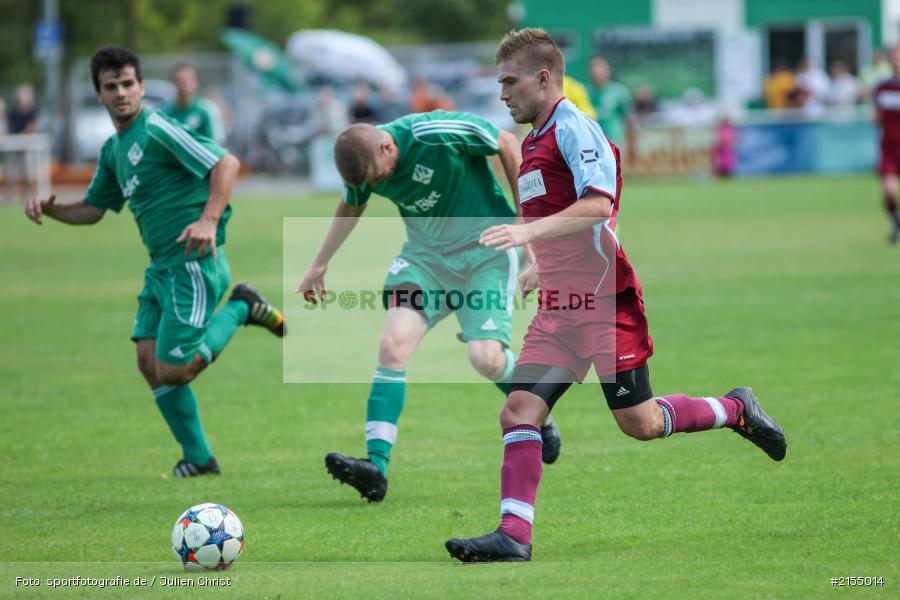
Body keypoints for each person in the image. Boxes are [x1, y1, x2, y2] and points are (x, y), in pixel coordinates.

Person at [445, 28, 787, 563]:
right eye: (499, 83)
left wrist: (528, 236)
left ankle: (734, 409)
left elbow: (601, 204)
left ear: (544, 77)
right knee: (518, 410)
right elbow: (568, 215)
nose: (503, 93)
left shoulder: (573, 128)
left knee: (641, 423)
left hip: (605, 302)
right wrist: (541, 266)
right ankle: (514, 536)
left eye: (510, 82)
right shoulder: (534, 139)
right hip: (561, 307)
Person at [24, 46, 286, 477]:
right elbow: (92, 209)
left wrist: (208, 219)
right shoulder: (113, 150)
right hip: (160, 269)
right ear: (100, 94)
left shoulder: (160, 128)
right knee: (149, 364)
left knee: (175, 369)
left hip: (193, 264)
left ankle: (241, 306)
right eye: (112, 87)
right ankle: (199, 457)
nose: (122, 92)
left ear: (142, 87)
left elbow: (227, 163)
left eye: (128, 84)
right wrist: (51, 210)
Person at [297, 111, 563, 503]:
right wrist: (320, 263)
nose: (379, 184)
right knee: (393, 344)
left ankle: (538, 407)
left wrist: (525, 225)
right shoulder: (365, 164)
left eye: (379, 177)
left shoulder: (435, 131)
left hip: (487, 253)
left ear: (389, 146)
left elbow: (507, 143)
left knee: (485, 359)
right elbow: (351, 205)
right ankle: (376, 467)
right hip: (426, 261)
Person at [873, 45, 900, 244]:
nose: (894, 58)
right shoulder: (881, 87)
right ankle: (896, 221)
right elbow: (876, 117)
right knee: (889, 192)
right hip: (889, 148)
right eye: (892, 55)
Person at [164, 62, 225, 144]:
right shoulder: (164, 112)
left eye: (188, 79)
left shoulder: (208, 110)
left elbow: (217, 145)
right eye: (179, 80)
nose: (184, 83)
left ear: (196, 82)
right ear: (172, 82)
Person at [587, 56, 631, 146]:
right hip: (592, 143)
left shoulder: (619, 91)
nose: (598, 74)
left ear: (608, 71)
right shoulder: (585, 92)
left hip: (614, 141)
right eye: (595, 72)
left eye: (601, 71)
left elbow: (628, 119)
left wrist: (631, 144)